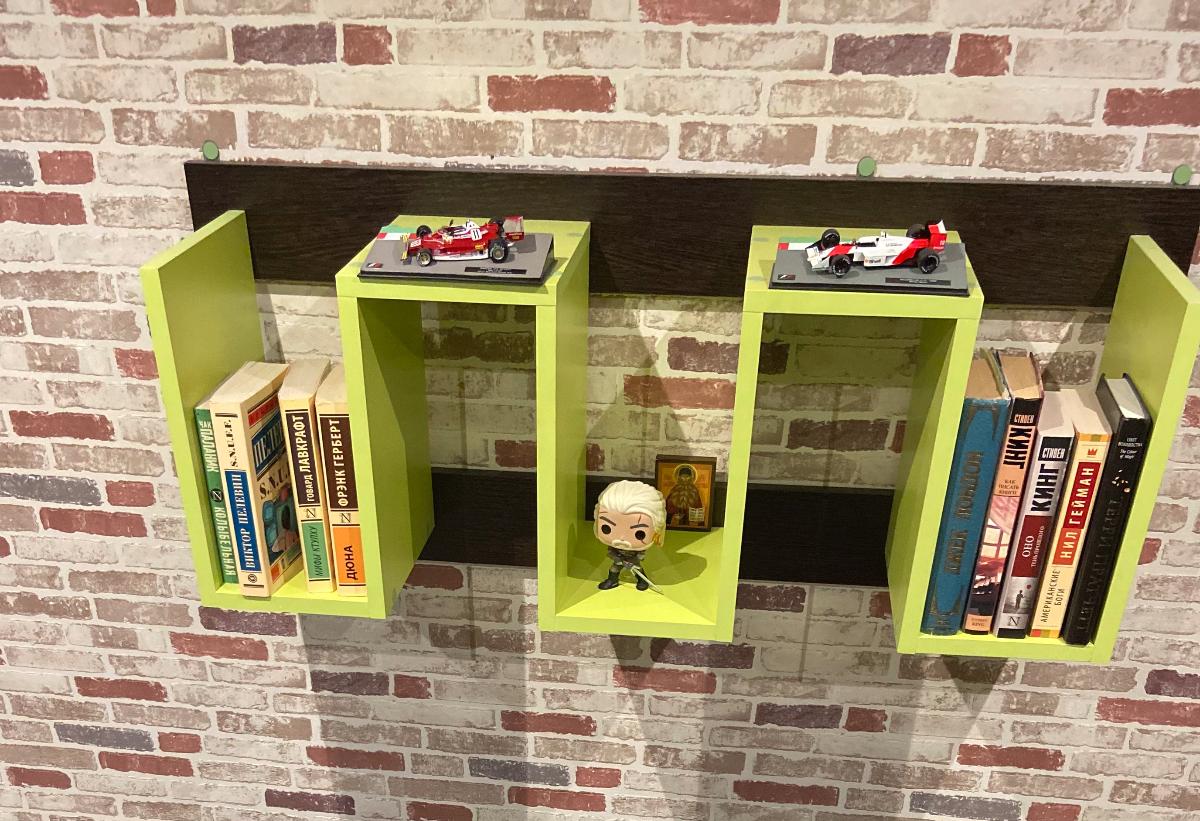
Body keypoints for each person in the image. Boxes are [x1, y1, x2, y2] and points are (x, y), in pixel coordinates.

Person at [593, 480, 666, 591]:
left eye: (640, 533)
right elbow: (611, 551)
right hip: (619, 559)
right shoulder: (615, 546)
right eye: (606, 528)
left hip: (633, 560)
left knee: (637, 570)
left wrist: (633, 560)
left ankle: (642, 581)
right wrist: (617, 558)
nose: (621, 538)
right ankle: (612, 580)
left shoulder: (639, 549)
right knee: (614, 569)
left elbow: (641, 554)